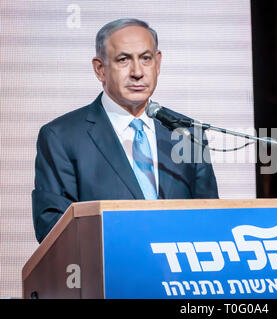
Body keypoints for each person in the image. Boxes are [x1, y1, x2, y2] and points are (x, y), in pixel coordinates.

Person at [32, 18, 218, 243]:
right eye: (123, 60)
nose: (137, 72)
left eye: (146, 58)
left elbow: (211, 219)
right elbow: (53, 230)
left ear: (158, 63)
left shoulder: (188, 133)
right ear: (100, 69)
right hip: (107, 274)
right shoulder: (61, 137)